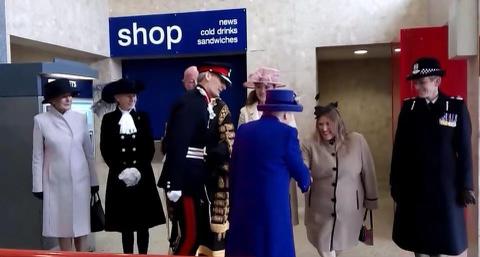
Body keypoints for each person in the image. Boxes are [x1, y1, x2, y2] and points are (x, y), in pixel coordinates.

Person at [390, 57, 476, 257]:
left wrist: (466, 185)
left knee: (442, 240)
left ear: (437, 82)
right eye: (415, 82)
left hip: (445, 188)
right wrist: (395, 182)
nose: (416, 86)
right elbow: (399, 150)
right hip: (415, 187)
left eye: (422, 82)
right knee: (418, 240)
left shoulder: (455, 108)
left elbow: (464, 150)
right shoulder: (409, 110)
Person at [226, 89, 311, 257]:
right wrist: (306, 181)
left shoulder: (243, 130)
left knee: (245, 247)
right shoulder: (287, 134)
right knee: (272, 247)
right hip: (272, 207)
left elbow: (233, 168)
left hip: (243, 204)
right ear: (286, 114)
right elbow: (299, 171)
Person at [158, 63, 233, 256]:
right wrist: (174, 183)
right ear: (207, 76)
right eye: (221, 80)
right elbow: (178, 142)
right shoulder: (193, 102)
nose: (224, 86)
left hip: (194, 177)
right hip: (185, 179)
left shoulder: (203, 101)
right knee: (190, 236)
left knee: (196, 235)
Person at [301, 102, 378, 257]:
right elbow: (302, 165)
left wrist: (371, 201)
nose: (324, 128)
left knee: (341, 241)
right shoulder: (309, 143)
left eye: (328, 124)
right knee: (323, 244)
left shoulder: (357, 141)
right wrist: (304, 175)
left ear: (338, 123)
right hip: (319, 208)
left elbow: (368, 172)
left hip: (349, 207)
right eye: (320, 124)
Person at [100, 78, 165, 254]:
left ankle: (143, 253)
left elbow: (149, 148)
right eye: (128, 95)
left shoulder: (142, 117)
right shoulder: (108, 119)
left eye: (134, 95)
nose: (132, 98)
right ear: (117, 98)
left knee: (143, 224)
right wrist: (122, 171)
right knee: (126, 224)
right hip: (120, 178)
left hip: (142, 176)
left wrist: (138, 170)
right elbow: (105, 149)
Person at [32, 78, 98, 251]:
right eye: (63, 96)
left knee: (81, 225)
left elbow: (88, 153)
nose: (68, 99)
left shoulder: (80, 118)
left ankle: (82, 254)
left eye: (70, 96)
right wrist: (37, 186)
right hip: (56, 182)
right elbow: (37, 156)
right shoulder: (41, 121)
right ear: (52, 100)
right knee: (63, 226)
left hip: (80, 181)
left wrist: (94, 182)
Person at [238, 67, 300, 225]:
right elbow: (239, 143)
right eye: (259, 86)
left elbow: (294, 139)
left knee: (279, 218)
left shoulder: (286, 110)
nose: (262, 90)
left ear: (274, 89)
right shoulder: (245, 112)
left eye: (267, 87)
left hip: (278, 170)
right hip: (254, 169)